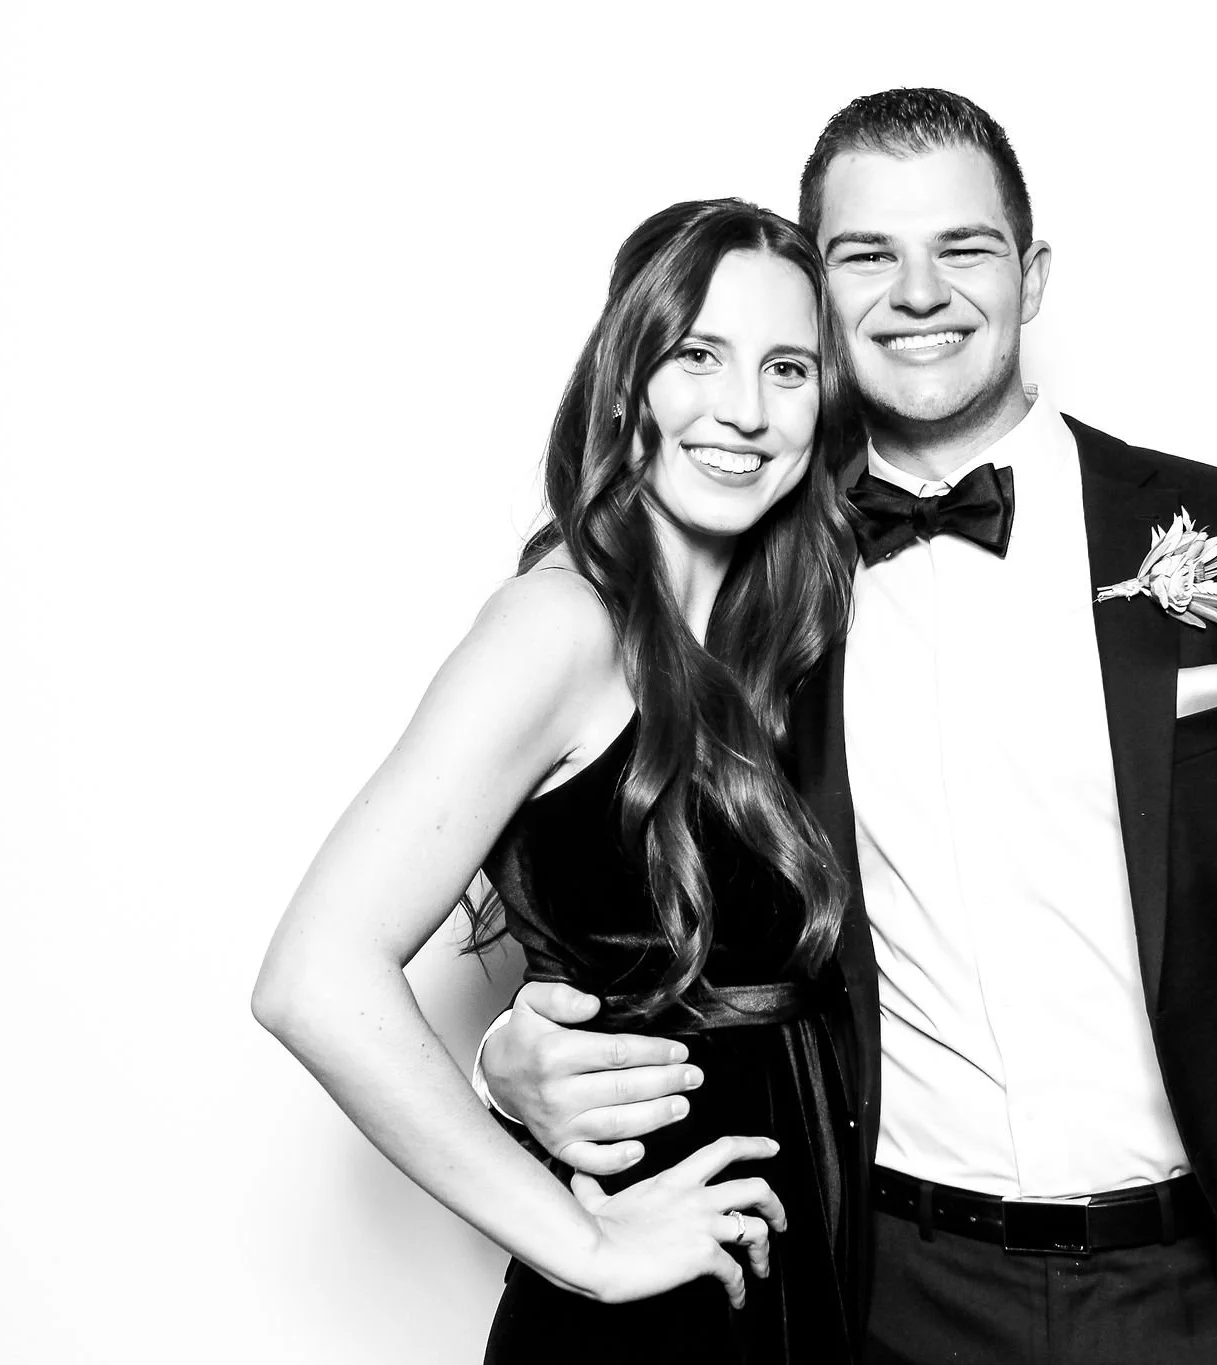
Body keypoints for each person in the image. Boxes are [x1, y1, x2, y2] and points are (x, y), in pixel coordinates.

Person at [478, 89, 1217, 1365]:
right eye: (864, 255)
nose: (917, 293)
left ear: (1032, 274)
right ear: (812, 301)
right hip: (885, 1295)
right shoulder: (740, 590)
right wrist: (508, 1067)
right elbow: (631, 890)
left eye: (963, 247)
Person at [251, 197, 867, 1364]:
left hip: (789, 1276)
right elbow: (312, 977)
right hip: (654, 1311)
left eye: (786, 367)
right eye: (698, 356)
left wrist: (496, 1063)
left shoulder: (772, 638)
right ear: (627, 382)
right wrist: (580, 1246)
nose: (744, 409)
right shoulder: (560, 625)